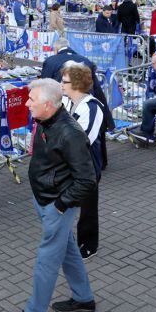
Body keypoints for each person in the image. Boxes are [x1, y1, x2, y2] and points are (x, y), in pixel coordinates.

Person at [8, 79, 96, 312]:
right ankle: (83, 298)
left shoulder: (69, 133)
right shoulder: (47, 121)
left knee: (47, 259)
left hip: (56, 205)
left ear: (48, 105)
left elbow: (87, 180)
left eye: (31, 100)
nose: (26, 103)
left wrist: (60, 205)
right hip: (47, 199)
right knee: (68, 250)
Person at [60, 63, 105, 259]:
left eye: (64, 81)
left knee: (87, 207)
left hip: (86, 167)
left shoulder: (93, 107)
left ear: (76, 84)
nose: (60, 84)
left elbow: (87, 139)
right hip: (66, 163)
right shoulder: (65, 101)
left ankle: (88, 244)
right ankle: (65, 241)